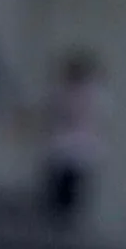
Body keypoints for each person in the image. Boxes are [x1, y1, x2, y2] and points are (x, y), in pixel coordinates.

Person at [39, 50, 108, 224]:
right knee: (58, 196)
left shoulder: (92, 93)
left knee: (73, 197)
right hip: (62, 150)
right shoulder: (62, 91)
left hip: (78, 151)